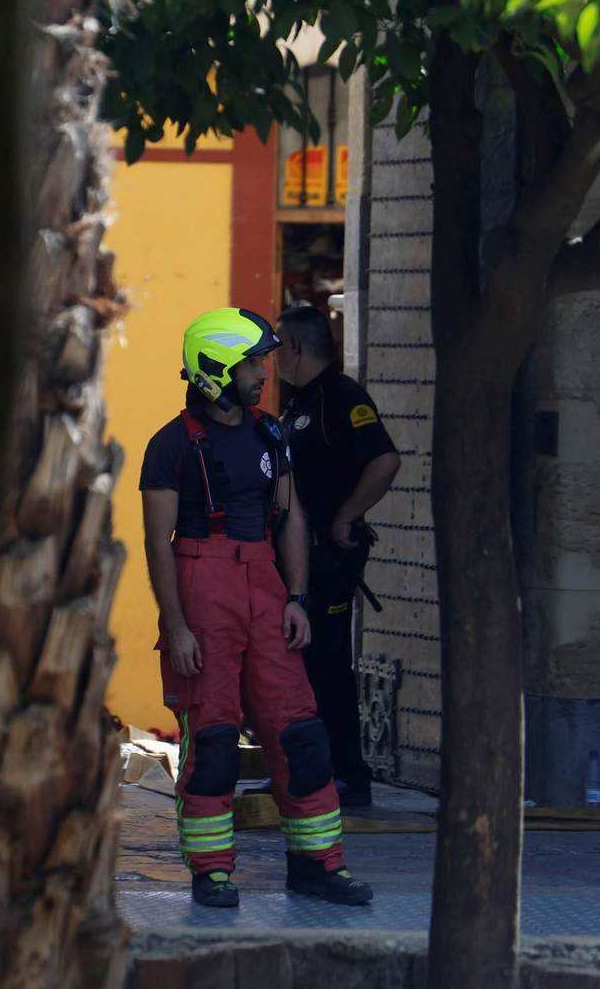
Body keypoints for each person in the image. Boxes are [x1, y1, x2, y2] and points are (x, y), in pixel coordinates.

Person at [140, 307, 374, 909]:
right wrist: (178, 626)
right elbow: (156, 543)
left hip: (266, 587)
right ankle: (212, 872)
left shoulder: (270, 433)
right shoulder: (170, 446)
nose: (264, 374)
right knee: (215, 742)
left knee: (300, 735)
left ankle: (319, 866)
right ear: (215, 370)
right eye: (251, 364)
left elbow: (290, 517)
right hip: (202, 585)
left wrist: (296, 598)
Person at [271, 304, 401, 808]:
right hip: (297, 558)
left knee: (326, 664)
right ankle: (306, 772)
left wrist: (347, 516)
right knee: (296, 666)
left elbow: (385, 460)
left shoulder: (341, 397)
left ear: (296, 346)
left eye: (276, 345)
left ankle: (348, 774)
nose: (270, 357)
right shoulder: (298, 402)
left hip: (328, 557)